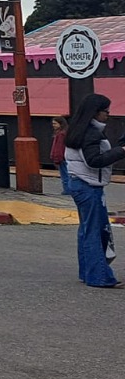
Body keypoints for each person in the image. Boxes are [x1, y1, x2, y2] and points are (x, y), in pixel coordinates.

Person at [62, 94, 125, 289]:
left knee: (87, 229)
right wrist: (121, 150)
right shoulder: (91, 133)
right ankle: (99, 276)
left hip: (79, 183)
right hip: (88, 185)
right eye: (106, 111)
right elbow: (94, 160)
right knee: (94, 231)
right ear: (95, 113)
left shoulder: (79, 129)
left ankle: (88, 272)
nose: (108, 114)